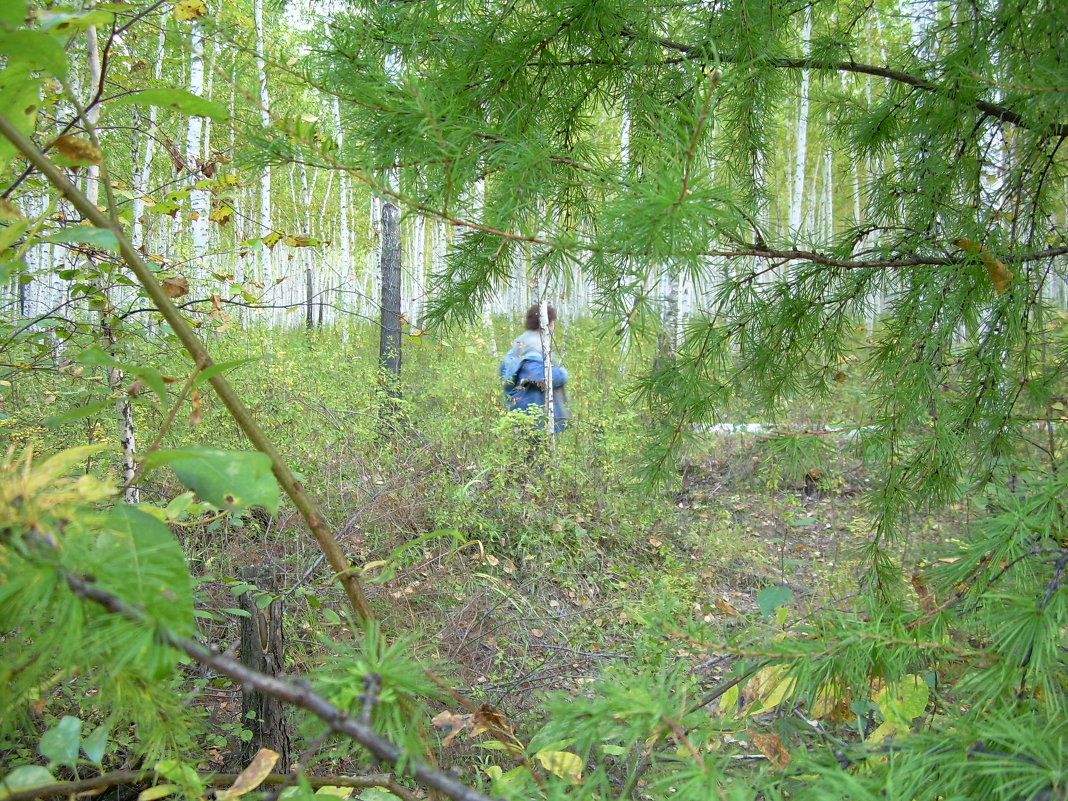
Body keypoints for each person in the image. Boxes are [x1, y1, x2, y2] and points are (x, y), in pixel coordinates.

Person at [499, 304, 570, 432]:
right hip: (535, 415)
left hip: (523, 412)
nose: (553, 328)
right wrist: (562, 374)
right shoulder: (534, 345)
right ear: (546, 324)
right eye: (553, 323)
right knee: (536, 450)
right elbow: (539, 375)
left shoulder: (521, 342)